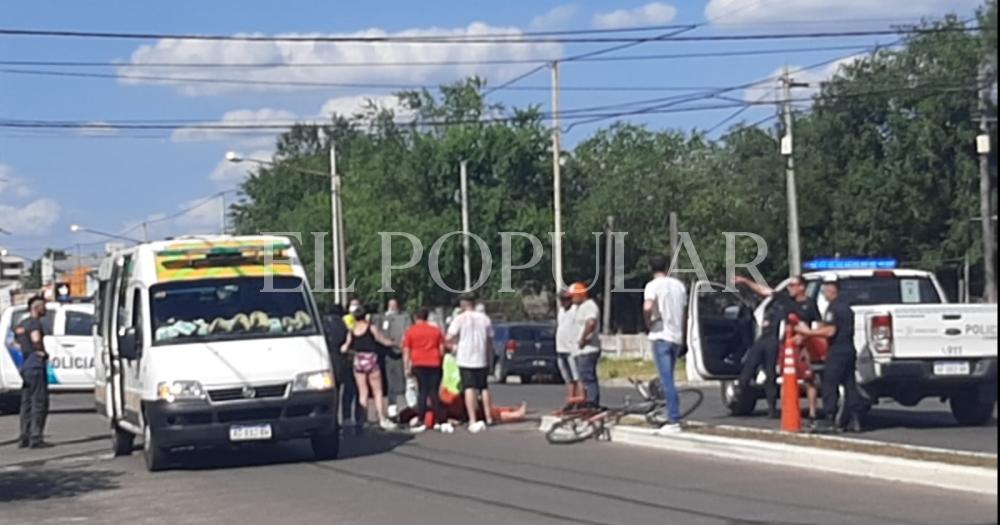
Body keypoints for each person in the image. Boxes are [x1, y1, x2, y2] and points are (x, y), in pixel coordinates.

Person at [734, 274, 820, 418]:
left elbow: (816, 325)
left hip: (795, 346)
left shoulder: (810, 304)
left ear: (802, 287)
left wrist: (805, 336)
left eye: (792, 285)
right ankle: (742, 387)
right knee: (756, 366)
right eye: (789, 285)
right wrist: (745, 281)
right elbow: (764, 291)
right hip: (775, 341)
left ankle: (800, 411)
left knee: (798, 378)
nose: (789, 288)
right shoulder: (785, 299)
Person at [795, 280, 862, 433]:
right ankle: (854, 419)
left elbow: (830, 331)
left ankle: (829, 418)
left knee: (829, 384)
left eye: (825, 291)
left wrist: (808, 333)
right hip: (849, 350)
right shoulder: (847, 308)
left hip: (837, 351)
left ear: (832, 291)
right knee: (849, 384)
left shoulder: (834, 308)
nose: (824, 294)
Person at [643, 255, 688, 434]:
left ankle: (673, 419)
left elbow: (648, 307)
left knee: (666, 379)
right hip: (676, 336)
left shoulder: (652, 286)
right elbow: (684, 314)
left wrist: (649, 323)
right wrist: (683, 336)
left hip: (660, 334)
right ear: (668, 267)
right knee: (670, 377)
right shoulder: (679, 286)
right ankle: (670, 412)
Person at [341, 303, 397, 431]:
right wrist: (394, 343)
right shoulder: (370, 327)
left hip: (358, 360)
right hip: (371, 359)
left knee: (362, 392)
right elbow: (382, 340)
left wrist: (343, 350)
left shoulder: (352, 329)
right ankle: (381, 418)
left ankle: (362, 420)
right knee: (377, 390)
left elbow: (346, 346)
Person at [446, 293, 495, 434]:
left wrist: (454, 346)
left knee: (469, 388)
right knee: (483, 387)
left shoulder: (459, 319)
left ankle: (472, 419)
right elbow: (490, 340)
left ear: (464, 304)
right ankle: (489, 416)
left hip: (465, 357)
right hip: (481, 357)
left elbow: (449, 337)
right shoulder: (485, 319)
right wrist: (490, 357)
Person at [402, 308, 445, 433]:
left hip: (418, 363)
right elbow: (441, 349)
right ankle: (439, 419)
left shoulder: (410, 331)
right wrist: (440, 362)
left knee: (422, 391)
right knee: (434, 392)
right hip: (434, 362)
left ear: (416, 317)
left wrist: (406, 367)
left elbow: (406, 351)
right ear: (427, 317)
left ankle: (421, 418)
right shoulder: (436, 331)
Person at [16, 296, 51, 449]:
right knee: (39, 401)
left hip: (25, 366)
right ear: (36, 308)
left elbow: (16, 342)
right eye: (43, 306)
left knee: (26, 403)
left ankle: (24, 435)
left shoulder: (21, 324)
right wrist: (41, 351)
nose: (46, 309)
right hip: (36, 366)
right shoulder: (35, 324)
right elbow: (36, 338)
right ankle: (36, 437)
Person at [323, 304, 363, 433]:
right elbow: (350, 339)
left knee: (332, 393)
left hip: (327, 359)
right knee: (348, 390)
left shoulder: (323, 323)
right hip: (343, 359)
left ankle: (332, 419)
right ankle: (347, 417)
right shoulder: (344, 323)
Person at [375, 298, 412, 418]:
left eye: (394, 305)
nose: (392, 307)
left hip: (401, 352)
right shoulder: (382, 318)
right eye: (390, 305)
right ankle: (392, 406)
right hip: (388, 353)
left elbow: (408, 331)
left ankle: (404, 406)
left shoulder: (405, 318)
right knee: (391, 380)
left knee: (402, 378)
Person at [569, 282, 601, 408]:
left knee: (588, 378)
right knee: (583, 378)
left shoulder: (589, 306)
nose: (571, 299)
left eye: (573, 296)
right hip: (580, 351)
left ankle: (592, 403)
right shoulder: (579, 307)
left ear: (580, 295)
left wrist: (583, 339)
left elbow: (591, 323)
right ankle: (587, 401)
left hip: (588, 349)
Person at [555, 290, 582, 409]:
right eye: (561, 299)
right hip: (560, 348)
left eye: (565, 299)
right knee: (567, 377)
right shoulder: (561, 311)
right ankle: (571, 401)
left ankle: (581, 401)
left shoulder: (575, 310)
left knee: (577, 376)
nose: (562, 302)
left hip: (572, 349)